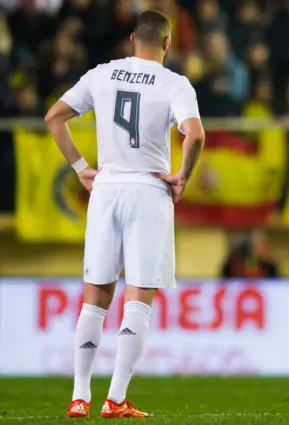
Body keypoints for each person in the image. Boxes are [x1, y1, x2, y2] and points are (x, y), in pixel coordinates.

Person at [44, 10, 205, 418]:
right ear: (168, 43)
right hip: (149, 191)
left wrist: (82, 169)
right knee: (138, 298)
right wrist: (182, 176)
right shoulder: (175, 83)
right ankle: (115, 399)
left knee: (95, 298)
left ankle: (80, 397)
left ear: (133, 38)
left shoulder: (102, 73)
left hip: (106, 189)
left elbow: (54, 117)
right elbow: (195, 134)